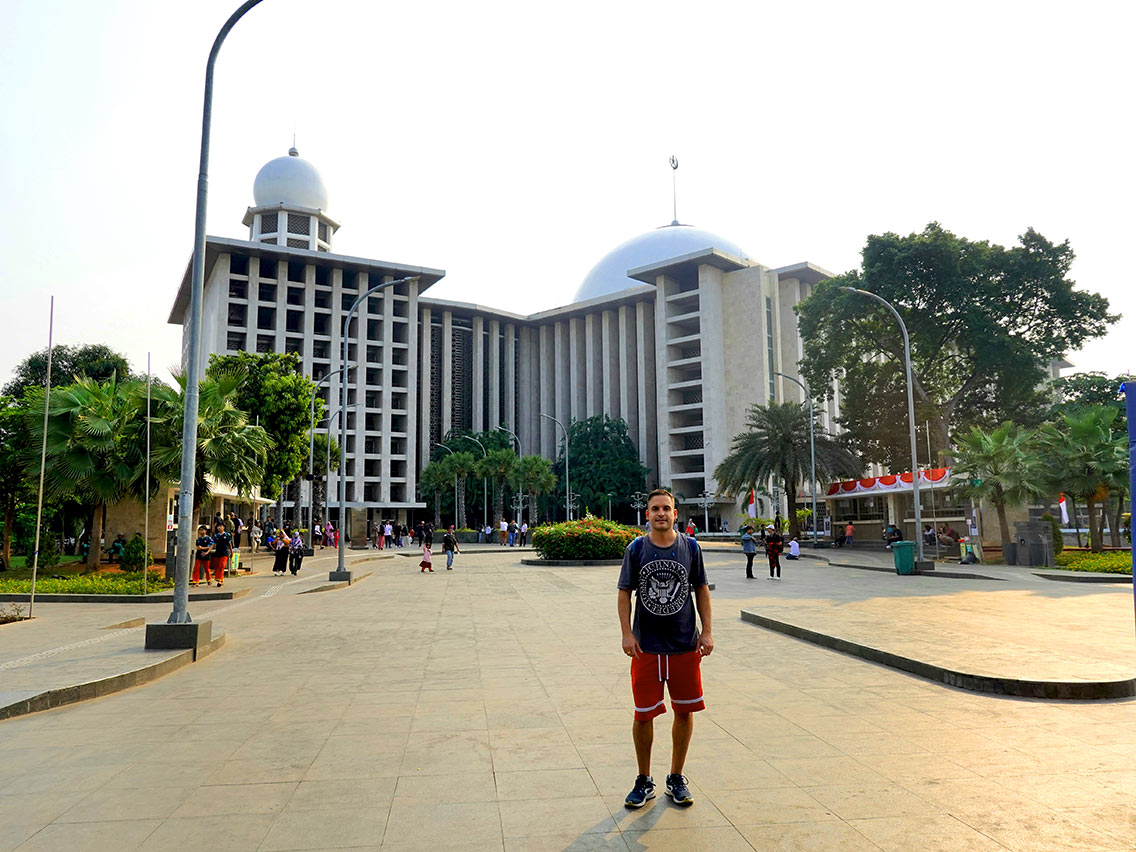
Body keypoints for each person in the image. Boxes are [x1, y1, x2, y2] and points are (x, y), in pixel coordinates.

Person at [617, 488, 713, 810]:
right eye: (655, 508)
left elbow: (701, 589)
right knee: (643, 715)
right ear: (647, 514)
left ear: (675, 513)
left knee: (684, 711)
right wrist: (627, 634)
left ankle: (676, 777)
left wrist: (707, 632)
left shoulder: (690, 547)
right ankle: (644, 780)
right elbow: (624, 593)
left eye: (666, 508)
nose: (661, 513)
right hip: (646, 648)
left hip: (685, 645)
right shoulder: (636, 549)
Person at [210, 521, 232, 588]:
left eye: (221, 526)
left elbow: (230, 543)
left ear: (224, 527)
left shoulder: (227, 535)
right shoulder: (216, 535)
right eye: (218, 526)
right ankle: (220, 579)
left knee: (221, 566)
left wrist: (231, 551)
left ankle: (220, 580)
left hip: (224, 552)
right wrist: (208, 551)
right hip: (217, 552)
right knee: (217, 566)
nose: (219, 528)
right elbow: (212, 544)